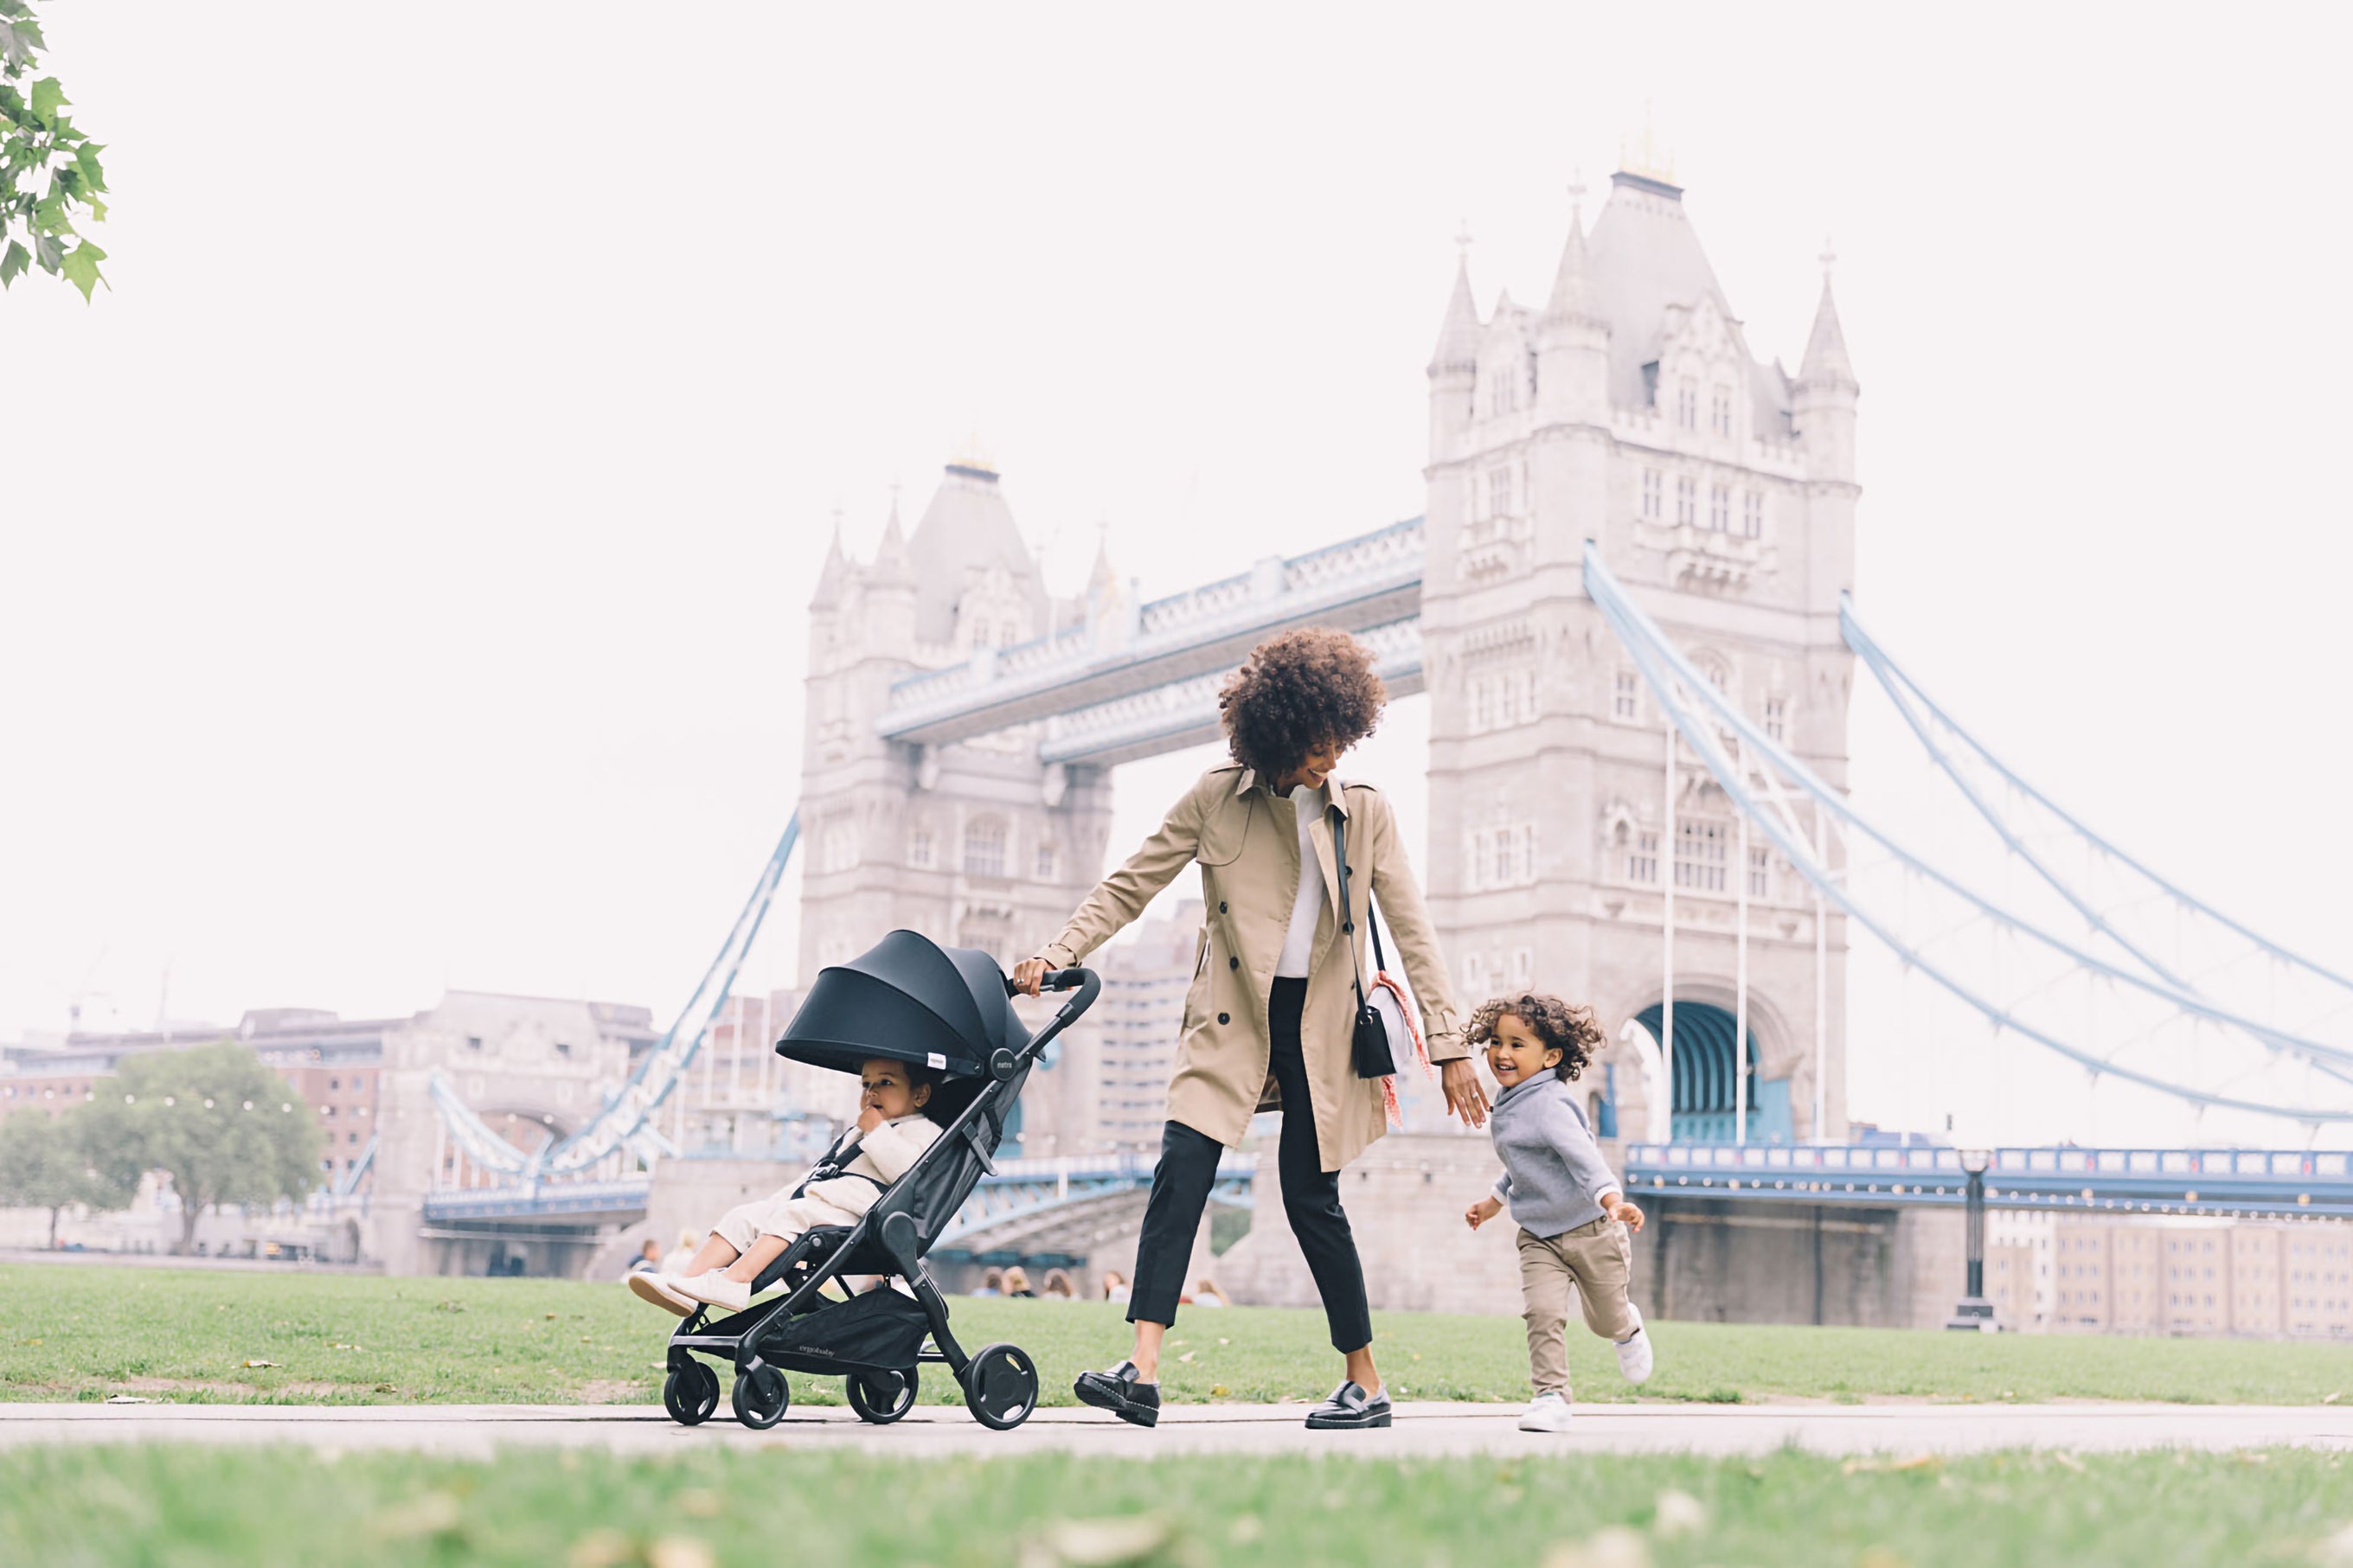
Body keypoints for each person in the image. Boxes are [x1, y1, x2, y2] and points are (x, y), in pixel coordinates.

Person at [1015, 627, 1484, 1431]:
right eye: (1314, 744)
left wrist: (1450, 1047)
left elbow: (1414, 934)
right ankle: (1143, 1367)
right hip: (1231, 1017)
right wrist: (1057, 952)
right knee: (1181, 1173)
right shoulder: (1215, 798)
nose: (1328, 758)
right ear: (1274, 732)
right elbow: (1129, 885)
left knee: (1311, 1199)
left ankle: (1365, 1383)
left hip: (1324, 1026)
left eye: (1340, 740)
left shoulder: (1364, 814)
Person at [1459, 993, 1654, 1433]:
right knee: (1543, 1313)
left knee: (1604, 1322)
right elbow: (1524, 1166)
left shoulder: (1551, 1105)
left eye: (1516, 1044)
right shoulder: (1509, 1102)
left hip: (1592, 1230)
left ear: (1550, 1056)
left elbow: (1583, 1159)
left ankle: (1627, 1327)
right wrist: (1493, 1202)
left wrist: (1612, 1201)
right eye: (1495, 1041)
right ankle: (1550, 1396)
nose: (1502, 1053)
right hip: (1539, 1237)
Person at [627, 1059, 942, 1315]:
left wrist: (876, 1132)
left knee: (794, 1215)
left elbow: (909, 1172)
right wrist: (778, 1201)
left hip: (859, 1216)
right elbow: (822, 1172)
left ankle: (735, 1281)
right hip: (820, 1204)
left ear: (920, 1095)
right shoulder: (856, 1133)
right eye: (865, 1084)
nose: (872, 1092)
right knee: (746, 1216)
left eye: (885, 1083)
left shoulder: (924, 1132)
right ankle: (687, 1285)